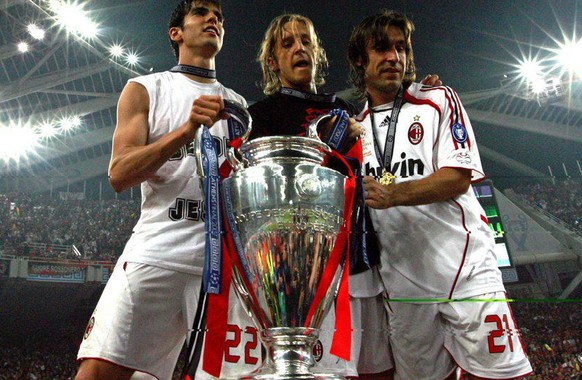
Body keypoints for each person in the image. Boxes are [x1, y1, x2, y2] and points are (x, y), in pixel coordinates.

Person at [248, 13, 440, 379]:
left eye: (306, 41)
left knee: (376, 369)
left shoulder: (347, 110)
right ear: (272, 62)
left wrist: (419, 89)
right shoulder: (260, 117)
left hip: (359, 261)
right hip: (302, 270)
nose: (300, 49)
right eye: (287, 44)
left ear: (318, 52)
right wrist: (335, 144)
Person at [75, 1, 258, 379]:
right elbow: (119, 173)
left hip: (220, 268)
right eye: (202, 12)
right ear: (176, 33)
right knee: (97, 373)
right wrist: (185, 131)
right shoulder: (145, 88)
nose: (214, 20)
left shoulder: (238, 106)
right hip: (157, 253)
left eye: (219, 17)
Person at [348, 10, 534, 380]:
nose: (394, 58)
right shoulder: (355, 129)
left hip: (466, 270)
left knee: (504, 375)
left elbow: (457, 178)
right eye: (382, 48)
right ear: (359, 60)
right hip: (403, 283)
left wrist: (393, 194)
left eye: (401, 48)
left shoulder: (437, 100)